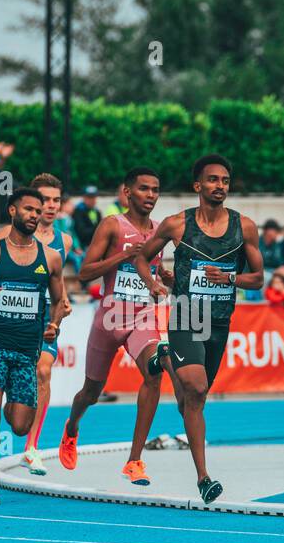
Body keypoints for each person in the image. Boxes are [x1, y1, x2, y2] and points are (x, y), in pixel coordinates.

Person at [135, 154, 265, 504]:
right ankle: (204, 478)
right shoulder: (177, 224)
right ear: (198, 186)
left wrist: (230, 277)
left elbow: (259, 277)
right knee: (196, 386)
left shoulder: (245, 227)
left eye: (224, 180)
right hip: (187, 314)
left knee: (193, 398)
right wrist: (154, 283)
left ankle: (166, 360)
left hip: (220, 320)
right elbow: (141, 257)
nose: (219, 186)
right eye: (212, 180)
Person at [0, 187, 68, 506]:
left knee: (19, 426)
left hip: (27, 349)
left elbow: (59, 301)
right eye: (29, 209)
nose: (35, 214)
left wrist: (55, 324)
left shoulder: (51, 258)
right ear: (13, 212)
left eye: (39, 210)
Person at [59, 167, 170, 485]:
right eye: (144, 189)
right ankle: (72, 427)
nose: (150, 195)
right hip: (108, 318)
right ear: (128, 192)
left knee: (155, 371)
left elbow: (154, 269)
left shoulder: (160, 230)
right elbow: (84, 273)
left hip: (142, 317)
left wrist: (165, 278)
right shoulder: (112, 225)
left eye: (155, 189)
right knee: (91, 392)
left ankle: (135, 461)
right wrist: (120, 259)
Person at [0, 173, 73, 475]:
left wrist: (62, 304)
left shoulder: (64, 241)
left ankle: (32, 448)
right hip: (8, 321)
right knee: (8, 401)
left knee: (43, 370)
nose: (50, 206)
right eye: (44, 200)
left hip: (42, 321)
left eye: (55, 200)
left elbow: (57, 284)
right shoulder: (6, 235)